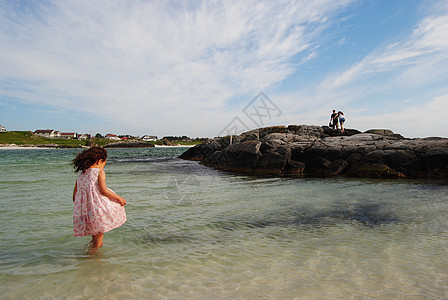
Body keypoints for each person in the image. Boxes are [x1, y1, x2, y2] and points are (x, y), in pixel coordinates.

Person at [72, 147, 127, 252]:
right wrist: (119, 198)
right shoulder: (99, 172)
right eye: (104, 163)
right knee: (98, 243)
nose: (103, 166)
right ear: (100, 161)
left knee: (94, 239)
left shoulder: (81, 175)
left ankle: (85, 257)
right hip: (96, 211)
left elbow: (75, 196)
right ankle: (92, 261)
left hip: (86, 212)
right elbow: (103, 190)